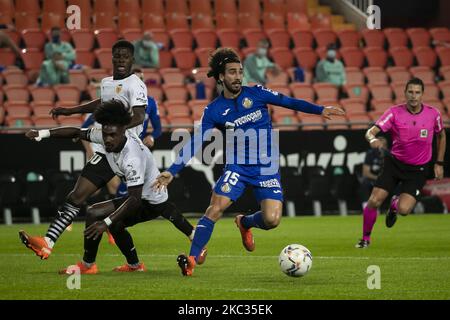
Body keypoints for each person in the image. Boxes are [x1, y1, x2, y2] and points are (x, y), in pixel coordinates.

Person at [152, 47, 345, 276]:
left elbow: (288, 101)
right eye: (232, 72)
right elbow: (196, 141)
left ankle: (245, 223)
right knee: (215, 209)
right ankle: (192, 260)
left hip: (266, 168)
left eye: (240, 71)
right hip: (238, 167)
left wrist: (320, 109)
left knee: (272, 220)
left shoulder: (256, 94)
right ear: (221, 76)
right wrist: (172, 170)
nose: (238, 76)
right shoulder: (214, 110)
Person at [20, 100, 206, 272]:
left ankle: (89, 265)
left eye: (112, 136)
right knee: (103, 218)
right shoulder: (109, 135)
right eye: (105, 135)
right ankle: (130, 265)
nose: (107, 140)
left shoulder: (132, 157)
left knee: (102, 217)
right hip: (141, 197)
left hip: (150, 202)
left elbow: (134, 199)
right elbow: (77, 132)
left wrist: (105, 222)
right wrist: (42, 134)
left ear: (124, 131)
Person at [17, 40, 146, 257]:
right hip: (107, 150)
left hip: (128, 150)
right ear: (112, 58)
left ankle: (185, 243)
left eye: (125, 56)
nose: (121, 59)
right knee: (76, 197)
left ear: (132, 59)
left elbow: (140, 116)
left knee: (148, 203)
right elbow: (100, 104)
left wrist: (117, 129)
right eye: (117, 55)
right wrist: (70, 111)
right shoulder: (106, 83)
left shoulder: (136, 84)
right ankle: (47, 242)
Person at [355, 78, 446, 248]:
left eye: (417, 92)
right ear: (405, 93)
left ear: (422, 94)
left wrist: (439, 163)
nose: (413, 96)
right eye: (410, 92)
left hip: (418, 169)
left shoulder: (433, 114)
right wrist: (372, 139)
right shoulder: (394, 113)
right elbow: (370, 132)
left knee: (404, 210)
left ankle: (395, 205)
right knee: (374, 200)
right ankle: (365, 239)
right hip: (394, 163)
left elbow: (441, 135)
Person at [359, 136, 388, 208]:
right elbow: (365, 172)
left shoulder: (389, 155)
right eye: (379, 145)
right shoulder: (370, 154)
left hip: (387, 179)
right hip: (374, 178)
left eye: (383, 145)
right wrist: (377, 178)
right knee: (364, 184)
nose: (381, 147)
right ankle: (366, 206)